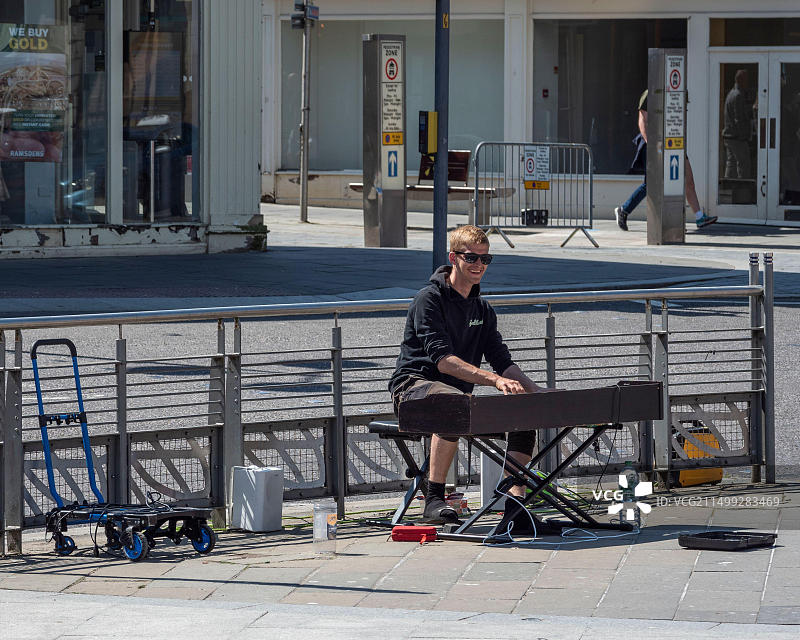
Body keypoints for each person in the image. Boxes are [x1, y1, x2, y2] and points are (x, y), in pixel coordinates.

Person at [389, 225, 558, 534]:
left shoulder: (482, 308)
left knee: (523, 414)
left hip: (459, 399)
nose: (479, 265)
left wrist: (535, 392)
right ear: (454, 258)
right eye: (471, 258)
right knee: (453, 401)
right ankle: (433, 499)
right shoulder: (429, 299)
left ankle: (514, 505)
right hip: (412, 388)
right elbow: (443, 360)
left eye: (485, 259)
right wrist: (494, 381)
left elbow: (502, 360)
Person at [614, 89, 717, 231]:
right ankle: (624, 210)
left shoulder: (680, 89)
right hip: (654, 143)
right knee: (652, 184)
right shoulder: (651, 91)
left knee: (688, 180)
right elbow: (642, 119)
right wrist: (650, 144)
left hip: (674, 142)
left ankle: (699, 217)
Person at [722, 69, 753, 179]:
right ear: (741, 80)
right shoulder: (738, 95)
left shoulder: (731, 93)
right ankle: (743, 190)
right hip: (737, 137)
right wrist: (744, 136)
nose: (748, 83)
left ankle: (727, 189)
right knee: (743, 164)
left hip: (728, 136)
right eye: (746, 80)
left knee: (731, 163)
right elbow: (738, 119)